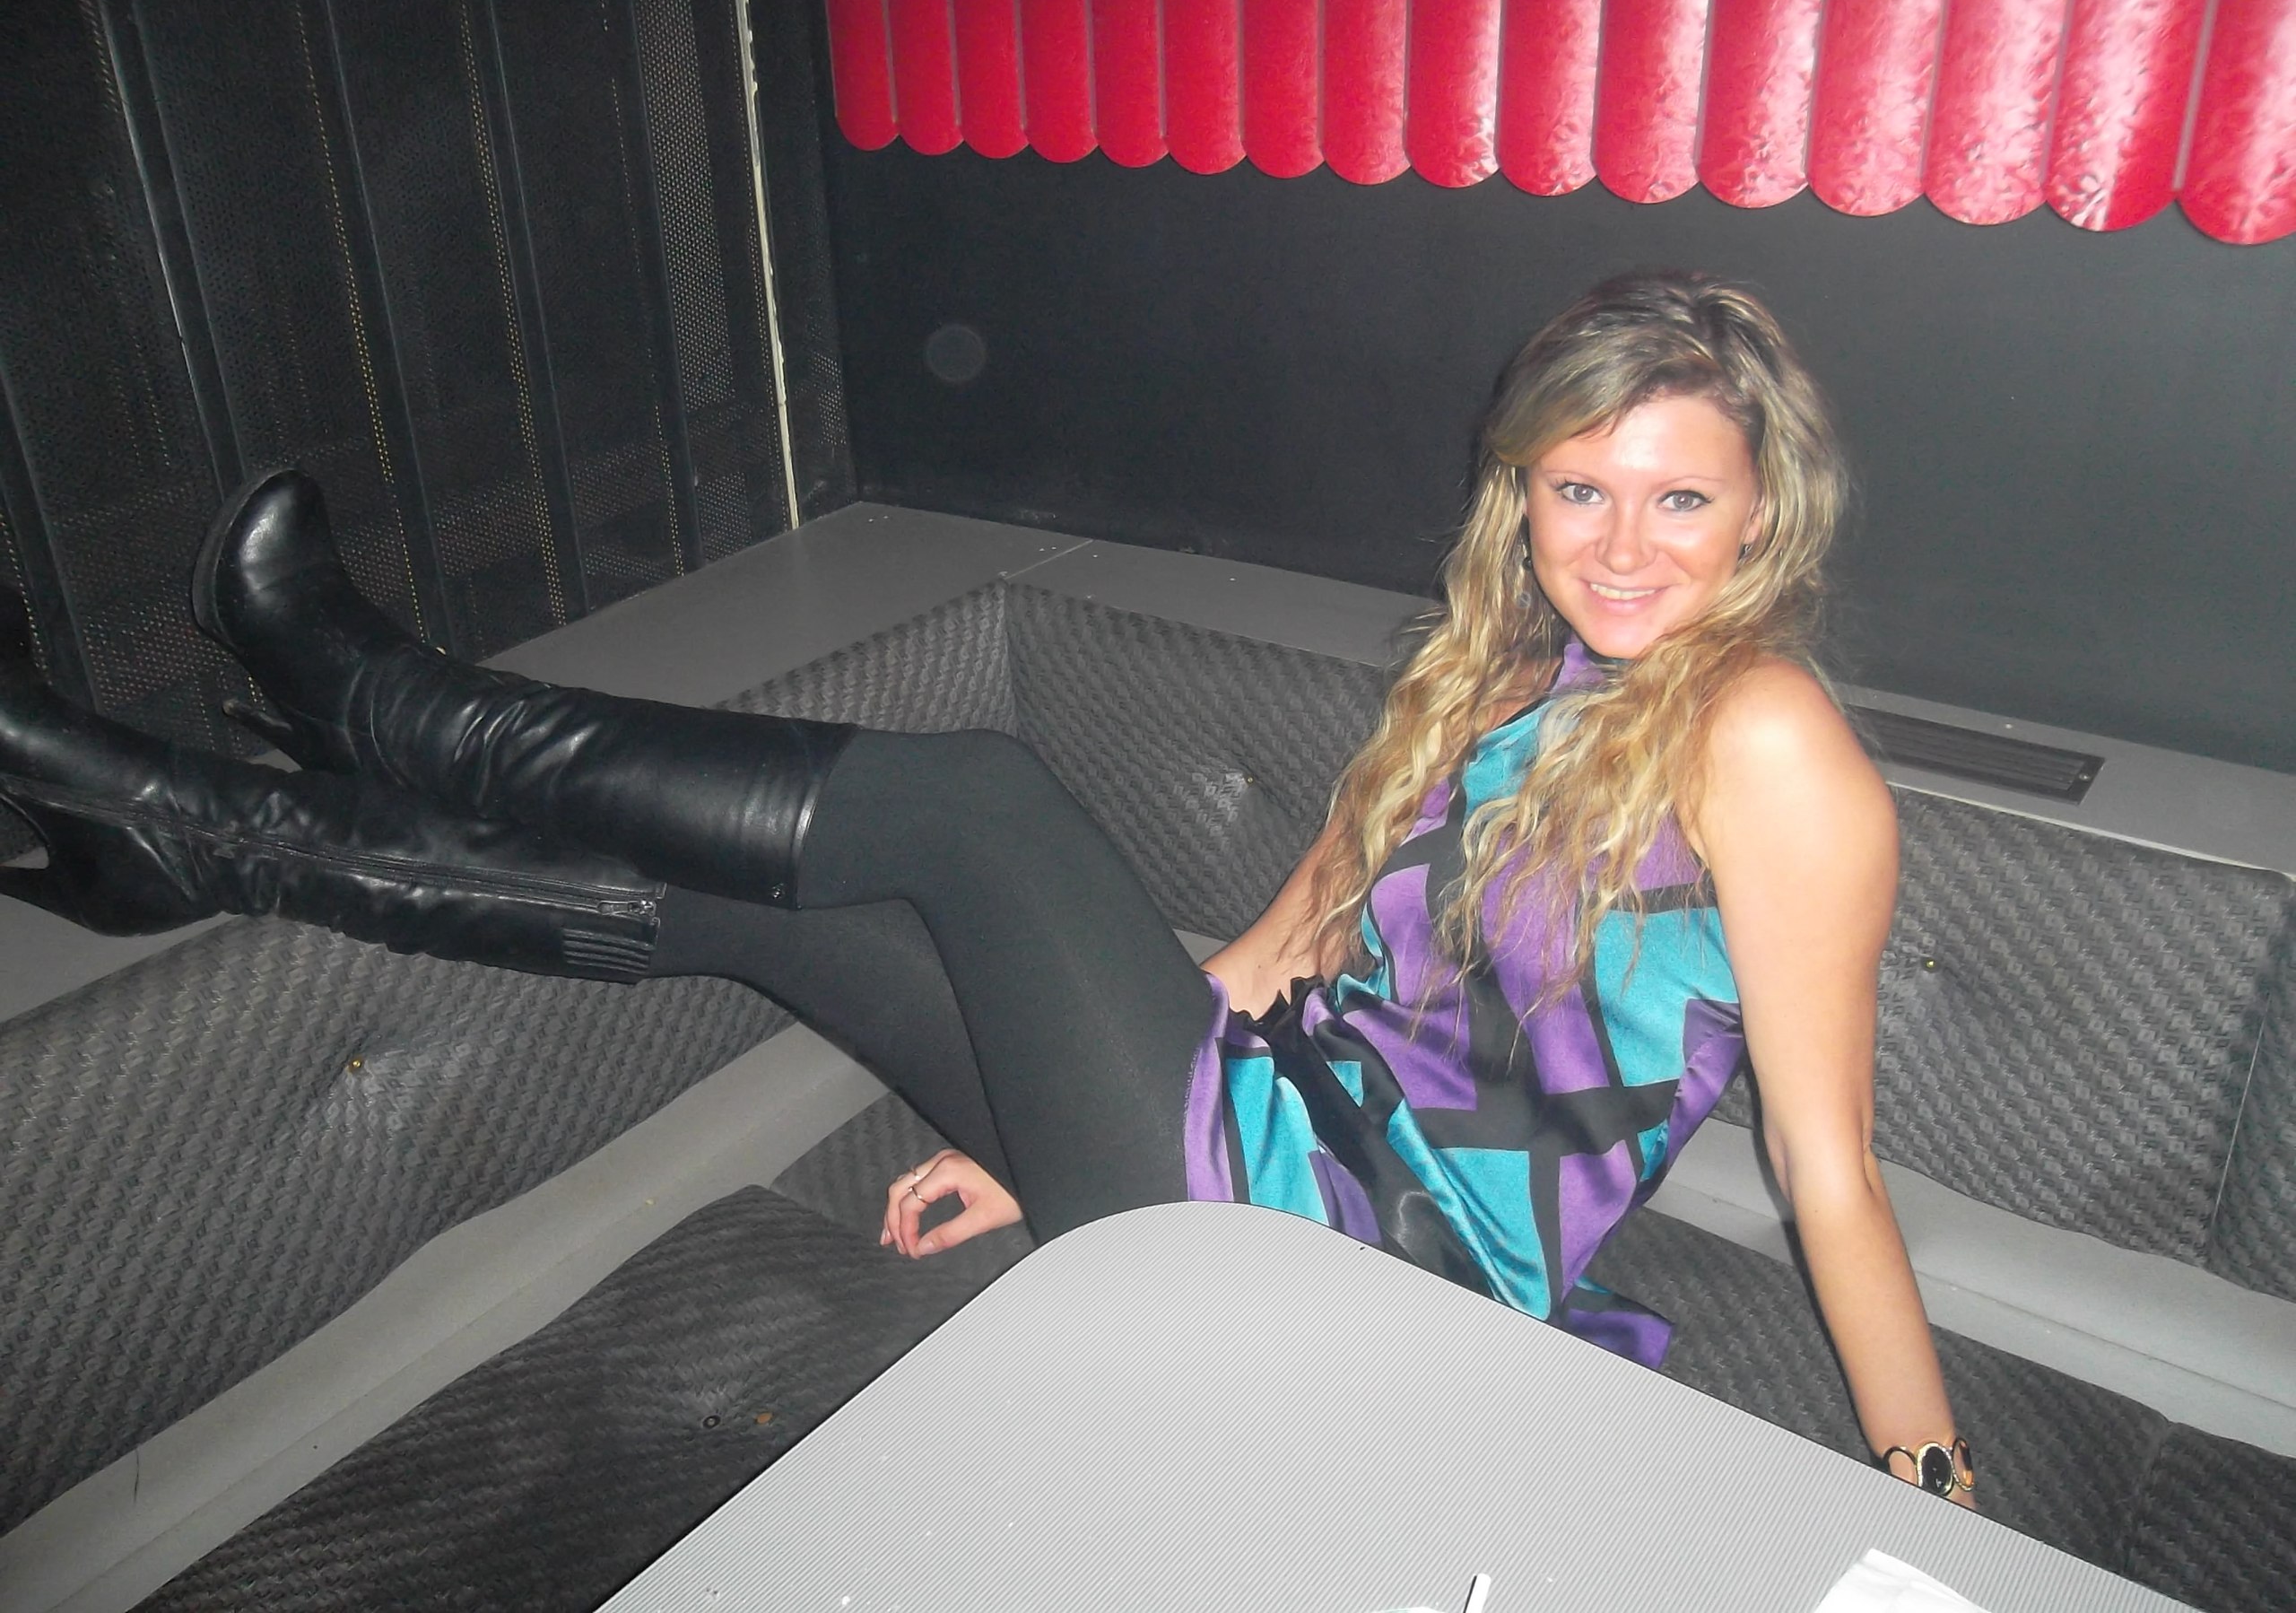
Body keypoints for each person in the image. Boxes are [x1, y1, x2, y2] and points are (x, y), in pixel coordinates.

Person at [0, 273, 1971, 1505]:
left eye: (1678, 498)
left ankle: (376, 697)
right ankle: (204, 839)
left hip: (1375, 1273)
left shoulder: (1765, 742)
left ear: (1757, 517)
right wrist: (1050, 1127)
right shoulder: (1501, 675)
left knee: (979, 809)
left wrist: (1926, 1504)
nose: (1618, 545)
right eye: (1576, 489)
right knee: (768, 910)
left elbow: (1832, 1179)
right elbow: (1279, 952)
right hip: (1252, 1136)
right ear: (1519, 494)